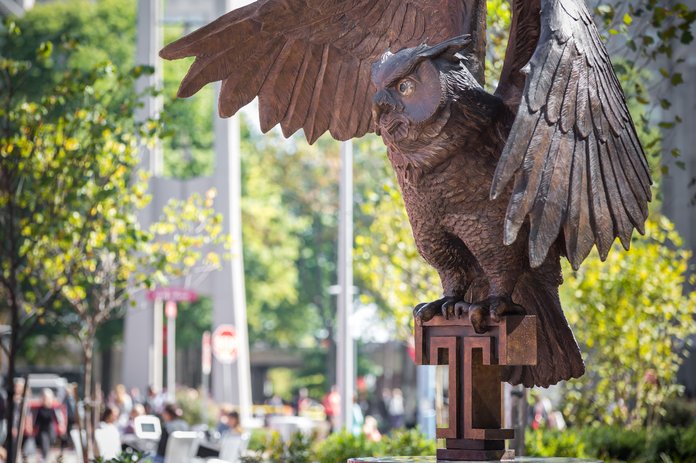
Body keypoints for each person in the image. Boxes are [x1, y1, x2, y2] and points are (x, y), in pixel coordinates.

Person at [34, 389, 62, 462]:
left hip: (50, 429)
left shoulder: (53, 409)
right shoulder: (40, 409)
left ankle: (46, 458)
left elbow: (57, 419)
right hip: (43, 430)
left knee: (50, 442)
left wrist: (60, 426)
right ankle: (44, 459)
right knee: (44, 444)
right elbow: (37, 421)